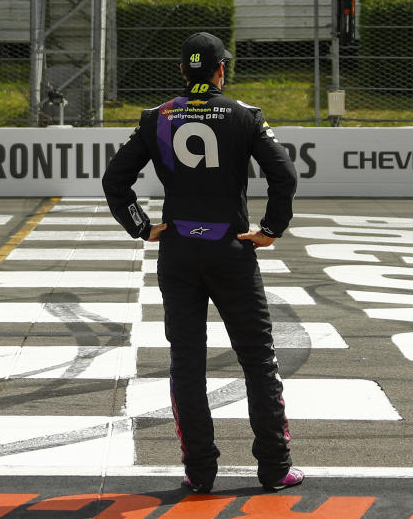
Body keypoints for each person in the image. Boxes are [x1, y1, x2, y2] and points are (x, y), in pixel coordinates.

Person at [102, 32, 303, 493]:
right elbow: (284, 175)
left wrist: (141, 225)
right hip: (230, 250)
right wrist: (271, 229)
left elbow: (116, 180)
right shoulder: (244, 115)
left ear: (181, 72)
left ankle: (199, 472)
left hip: (179, 252)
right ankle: (274, 468)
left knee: (186, 364)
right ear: (221, 71)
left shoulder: (156, 118)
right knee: (258, 360)